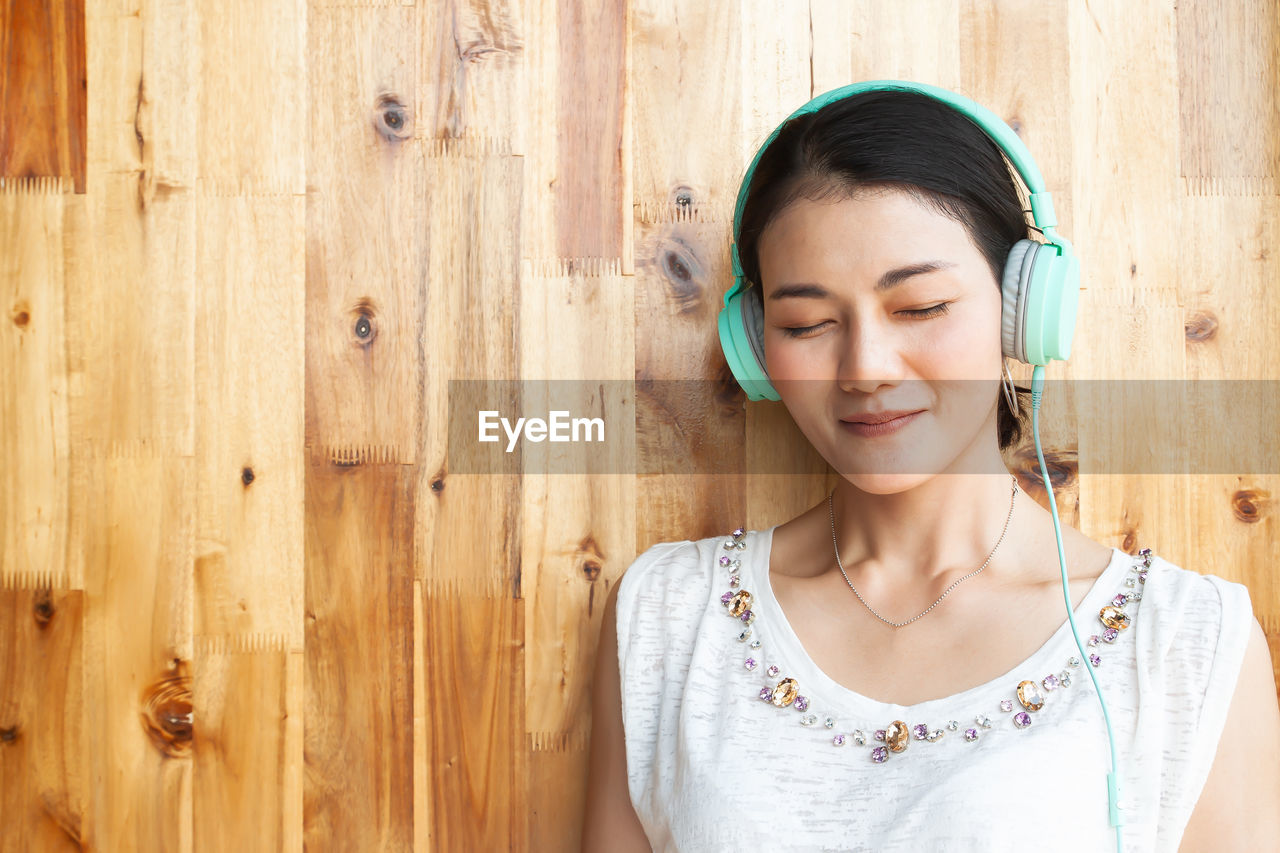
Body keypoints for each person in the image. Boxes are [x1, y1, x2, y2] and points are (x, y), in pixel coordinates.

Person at [582, 85, 1280, 852]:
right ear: (755, 349)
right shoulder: (672, 616)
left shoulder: (1184, 641)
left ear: (1024, 309)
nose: (866, 368)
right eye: (805, 323)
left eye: (919, 307)